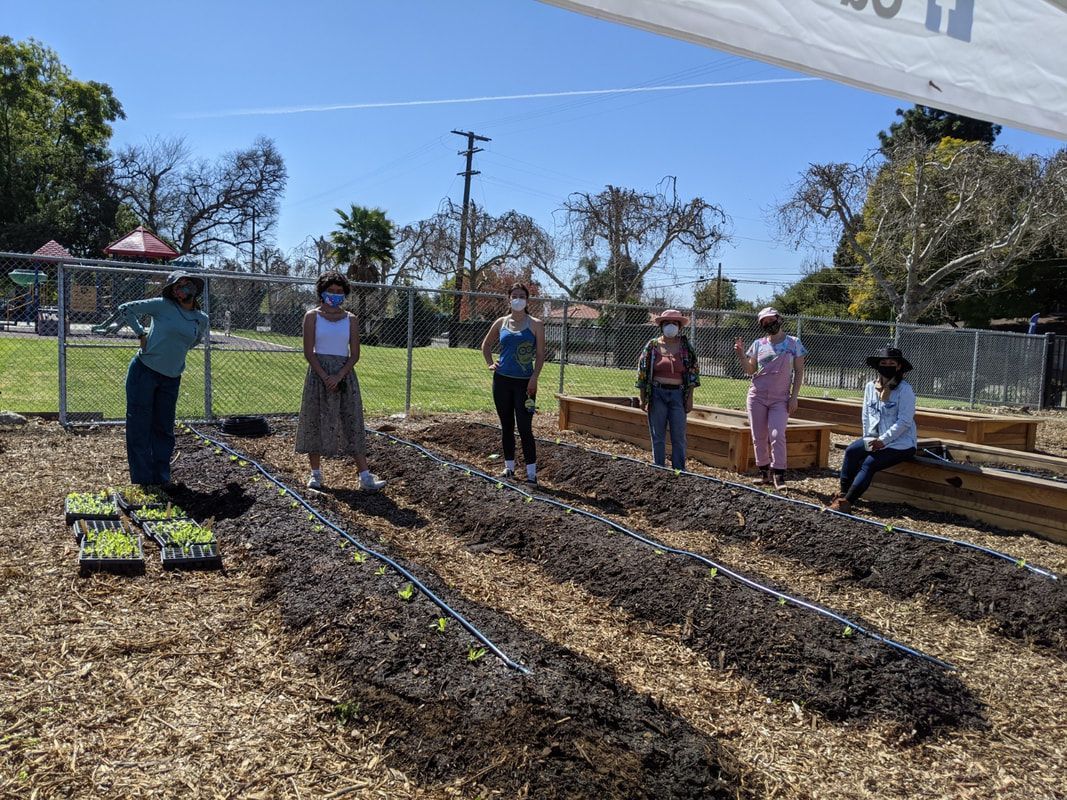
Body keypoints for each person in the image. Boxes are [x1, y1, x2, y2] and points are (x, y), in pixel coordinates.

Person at [295, 272, 385, 493]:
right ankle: (315, 475)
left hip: (345, 376)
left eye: (339, 291)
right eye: (331, 291)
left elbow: (354, 354)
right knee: (314, 418)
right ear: (321, 292)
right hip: (318, 374)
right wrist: (325, 376)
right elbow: (308, 352)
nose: (335, 295)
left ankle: (365, 477)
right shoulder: (312, 317)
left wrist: (338, 376)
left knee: (351, 420)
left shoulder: (351, 319)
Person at [118, 270, 210, 486]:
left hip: (171, 378)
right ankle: (143, 480)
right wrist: (141, 333)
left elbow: (194, 341)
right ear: (172, 291)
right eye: (178, 286)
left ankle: (161, 478)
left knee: (163, 428)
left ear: (195, 289)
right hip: (144, 372)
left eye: (187, 285)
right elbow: (126, 309)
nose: (183, 289)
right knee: (139, 425)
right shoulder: (161, 305)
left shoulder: (201, 319)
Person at [829, 347, 917, 513]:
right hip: (874, 438)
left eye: (891, 363)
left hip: (901, 444)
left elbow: (905, 422)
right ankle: (843, 493)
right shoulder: (870, 387)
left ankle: (848, 502)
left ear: (898, 366)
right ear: (877, 366)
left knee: (870, 463)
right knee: (851, 451)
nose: (887, 365)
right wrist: (868, 439)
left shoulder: (905, 390)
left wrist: (882, 441)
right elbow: (866, 415)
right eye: (883, 363)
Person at [480, 283, 546, 485]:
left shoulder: (536, 324)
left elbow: (541, 354)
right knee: (506, 425)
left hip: (525, 384)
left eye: (522, 296)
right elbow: (486, 345)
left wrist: (534, 378)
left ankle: (531, 474)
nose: (518, 299)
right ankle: (508, 468)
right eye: (514, 296)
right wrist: (491, 364)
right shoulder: (501, 323)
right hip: (502, 381)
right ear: (509, 299)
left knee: (525, 428)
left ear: (527, 300)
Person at [734, 307, 806, 488]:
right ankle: (765, 473)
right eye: (764, 322)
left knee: (777, 434)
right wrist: (742, 355)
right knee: (758, 436)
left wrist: (794, 397)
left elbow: (799, 372)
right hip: (757, 396)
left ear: (779, 319)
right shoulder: (759, 344)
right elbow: (750, 370)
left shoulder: (794, 343)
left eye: (771, 320)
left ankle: (779, 474)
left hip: (780, 398)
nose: (768, 324)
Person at [636, 309, 700, 470]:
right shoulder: (653, 346)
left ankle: (679, 469)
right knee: (658, 434)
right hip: (657, 394)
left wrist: (689, 397)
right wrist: (643, 397)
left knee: (678, 435)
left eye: (674, 323)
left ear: (680, 326)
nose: (671, 326)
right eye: (667, 323)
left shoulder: (686, 347)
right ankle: (659, 467)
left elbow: (693, 372)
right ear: (661, 326)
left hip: (678, 395)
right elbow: (642, 372)